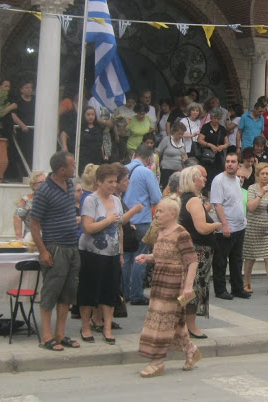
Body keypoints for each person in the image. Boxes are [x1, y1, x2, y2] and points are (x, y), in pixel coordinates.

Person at [136, 196, 201, 378]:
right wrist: (147, 258)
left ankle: (156, 362)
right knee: (174, 322)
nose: (157, 215)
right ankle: (191, 350)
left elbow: (192, 261)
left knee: (162, 323)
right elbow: (161, 255)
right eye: (157, 211)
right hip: (159, 282)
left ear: (173, 214)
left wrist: (188, 286)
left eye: (161, 211)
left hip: (174, 284)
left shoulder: (181, 234)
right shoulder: (160, 233)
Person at [29, 151, 82, 351]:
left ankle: (60, 334)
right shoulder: (44, 191)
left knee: (68, 294)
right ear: (62, 169)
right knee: (51, 291)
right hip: (55, 247)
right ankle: (46, 336)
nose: (74, 168)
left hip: (72, 246)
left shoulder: (69, 185)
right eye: (72, 165)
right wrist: (43, 251)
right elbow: (34, 224)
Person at [78, 164, 124, 345]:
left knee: (110, 291)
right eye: (109, 182)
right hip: (92, 253)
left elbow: (119, 229)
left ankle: (107, 328)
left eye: (115, 181)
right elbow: (87, 228)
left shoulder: (117, 200)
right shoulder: (91, 200)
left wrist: (120, 252)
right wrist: (107, 220)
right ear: (99, 182)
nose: (113, 185)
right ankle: (85, 326)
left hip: (112, 253)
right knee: (89, 290)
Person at [178, 166, 222, 339]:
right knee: (194, 289)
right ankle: (190, 325)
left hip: (192, 250)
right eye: (201, 177)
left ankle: (183, 323)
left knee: (190, 288)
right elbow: (202, 228)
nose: (205, 179)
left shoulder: (186, 198)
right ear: (193, 180)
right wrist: (217, 225)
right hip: (198, 252)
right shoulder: (194, 201)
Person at [122, 145, 163, 305]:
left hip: (125, 219)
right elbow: (156, 198)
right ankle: (136, 294)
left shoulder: (124, 169)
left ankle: (123, 292)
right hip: (141, 220)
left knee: (125, 258)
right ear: (148, 159)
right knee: (140, 257)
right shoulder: (146, 172)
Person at [210, 151, 250, 300]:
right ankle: (220, 290)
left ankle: (237, 288)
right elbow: (218, 205)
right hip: (226, 228)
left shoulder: (236, 180)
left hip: (240, 226)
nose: (230, 164)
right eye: (228, 161)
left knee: (237, 259)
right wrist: (224, 225)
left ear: (238, 165)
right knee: (221, 260)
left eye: (233, 162)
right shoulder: (218, 180)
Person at [243, 163, 268, 295]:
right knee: (250, 257)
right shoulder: (252, 189)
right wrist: (261, 194)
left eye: (267, 174)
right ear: (257, 175)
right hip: (253, 228)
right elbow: (251, 207)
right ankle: (246, 283)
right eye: (262, 174)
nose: (265, 176)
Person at [197, 107, 228, 191]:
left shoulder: (222, 128)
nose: (216, 120)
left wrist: (223, 146)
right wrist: (209, 145)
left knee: (218, 174)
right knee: (208, 174)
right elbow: (200, 140)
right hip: (208, 155)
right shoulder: (206, 127)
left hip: (219, 156)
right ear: (211, 118)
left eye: (218, 119)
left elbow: (226, 142)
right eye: (215, 118)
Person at [11, 78, 35, 170]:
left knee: (31, 152)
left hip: (33, 130)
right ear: (21, 89)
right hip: (22, 131)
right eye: (26, 87)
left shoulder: (35, 100)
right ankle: (21, 172)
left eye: (30, 88)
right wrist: (22, 125)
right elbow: (13, 114)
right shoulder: (17, 101)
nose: (29, 89)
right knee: (21, 152)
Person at [14, 171, 45, 240]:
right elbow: (17, 217)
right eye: (41, 182)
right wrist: (19, 236)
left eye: (46, 182)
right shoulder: (27, 200)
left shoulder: (52, 199)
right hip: (31, 237)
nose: (45, 184)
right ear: (34, 185)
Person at [156, 121, 187, 189]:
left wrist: (185, 159)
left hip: (179, 170)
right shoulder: (166, 140)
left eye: (182, 134)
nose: (181, 136)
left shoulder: (183, 140)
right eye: (179, 134)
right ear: (174, 132)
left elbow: (185, 154)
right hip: (167, 169)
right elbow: (157, 153)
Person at [77, 106, 106, 174]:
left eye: (92, 114)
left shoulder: (99, 128)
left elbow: (101, 144)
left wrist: (104, 156)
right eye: (88, 115)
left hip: (97, 156)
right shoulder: (80, 127)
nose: (90, 117)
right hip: (84, 156)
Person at [113, 92, 137, 162]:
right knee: (122, 153)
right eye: (129, 102)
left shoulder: (135, 109)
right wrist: (116, 135)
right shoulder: (119, 109)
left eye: (132, 102)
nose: (130, 104)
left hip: (132, 135)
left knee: (131, 154)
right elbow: (114, 123)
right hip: (121, 135)